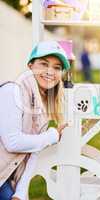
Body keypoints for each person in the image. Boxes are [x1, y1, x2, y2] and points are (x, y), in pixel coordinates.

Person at [0, 41, 69, 200]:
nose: (50, 71)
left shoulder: (43, 103)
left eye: (57, 67)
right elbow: (13, 142)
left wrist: (20, 193)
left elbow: (33, 154)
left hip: (6, 178)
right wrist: (52, 136)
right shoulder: (13, 91)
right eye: (44, 64)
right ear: (30, 65)